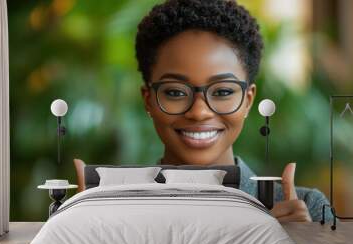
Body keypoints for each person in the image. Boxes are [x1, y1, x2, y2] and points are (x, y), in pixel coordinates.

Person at [134, 0, 333, 222]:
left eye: (222, 92)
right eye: (175, 92)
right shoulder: (115, 210)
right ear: (149, 100)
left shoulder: (306, 210)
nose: (199, 112)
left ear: (248, 101)